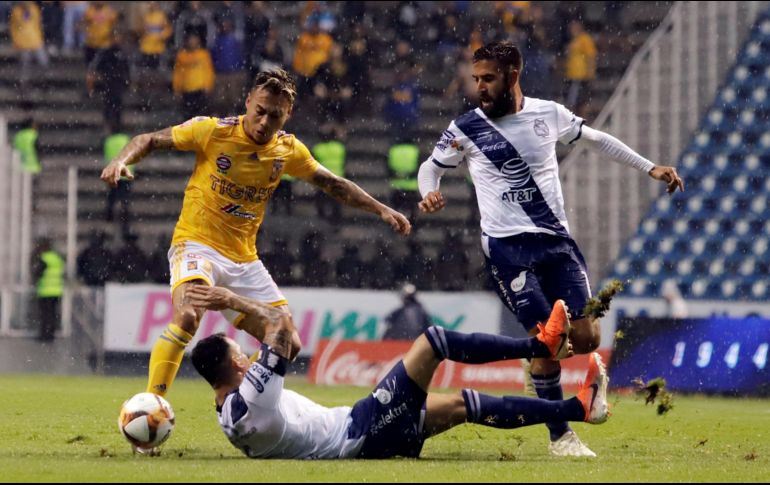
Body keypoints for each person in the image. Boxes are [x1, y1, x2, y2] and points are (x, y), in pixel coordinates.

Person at [417, 42, 684, 457]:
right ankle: (561, 436)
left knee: (589, 337)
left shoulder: (548, 114)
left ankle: (546, 373)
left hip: (556, 241)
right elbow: (430, 167)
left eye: (488, 79)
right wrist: (429, 191)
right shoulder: (466, 127)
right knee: (548, 342)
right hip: (508, 249)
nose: (480, 88)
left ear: (512, 76)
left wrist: (649, 166)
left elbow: (598, 139)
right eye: (476, 80)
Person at [100, 69, 410, 406]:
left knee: (288, 342)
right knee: (188, 315)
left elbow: (334, 184)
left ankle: (241, 402)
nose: (264, 121)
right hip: (196, 243)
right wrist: (119, 161)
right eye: (259, 110)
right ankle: (151, 405)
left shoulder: (287, 151)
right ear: (248, 102)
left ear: (287, 115)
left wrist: (382, 209)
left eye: (274, 115)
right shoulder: (212, 131)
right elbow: (148, 139)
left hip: (244, 259)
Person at [188, 285, 609, 460]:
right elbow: (281, 329)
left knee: (466, 404)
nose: (247, 353)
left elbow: (289, 344)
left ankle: (579, 406)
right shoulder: (252, 399)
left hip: (360, 433)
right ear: (237, 363)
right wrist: (230, 298)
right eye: (238, 350)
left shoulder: (230, 410)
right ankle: (538, 345)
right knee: (434, 341)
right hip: (363, 430)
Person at [31, 237, 65, 342]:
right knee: (53, 314)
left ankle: (44, 335)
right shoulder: (57, 258)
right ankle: (51, 335)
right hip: (57, 290)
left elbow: (37, 273)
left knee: (45, 315)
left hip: (46, 290)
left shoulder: (44, 259)